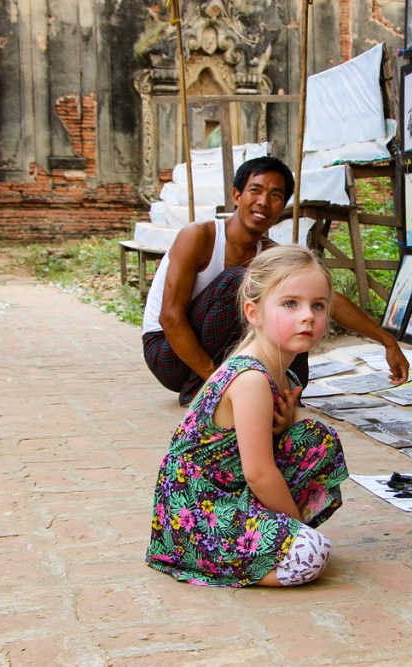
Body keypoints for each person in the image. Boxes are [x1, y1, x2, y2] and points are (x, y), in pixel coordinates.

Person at [146, 245, 348, 587]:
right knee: (310, 555)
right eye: (290, 304)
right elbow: (258, 472)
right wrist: (296, 527)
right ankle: (239, 558)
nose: (307, 316)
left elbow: (264, 447)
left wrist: (285, 426)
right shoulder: (251, 378)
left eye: (318, 305)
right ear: (253, 312)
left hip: (232, 490)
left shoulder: (285, 370)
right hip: (196, 510)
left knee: (317, 440)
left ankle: (272, 541)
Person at [142, 156, 409, 406]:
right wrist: (217, 381)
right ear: (237, 195)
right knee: (240, 280)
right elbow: (170, 318)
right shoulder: (200, 236)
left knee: (294, 300)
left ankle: (287, 394)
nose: (263, 202)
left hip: (217, 350)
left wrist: (388, 341)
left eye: (275, 196)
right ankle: (204, 391)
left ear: (283, 206)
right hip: (167, 354)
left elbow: (328, 299)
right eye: (255, 191)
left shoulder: (270, 253)